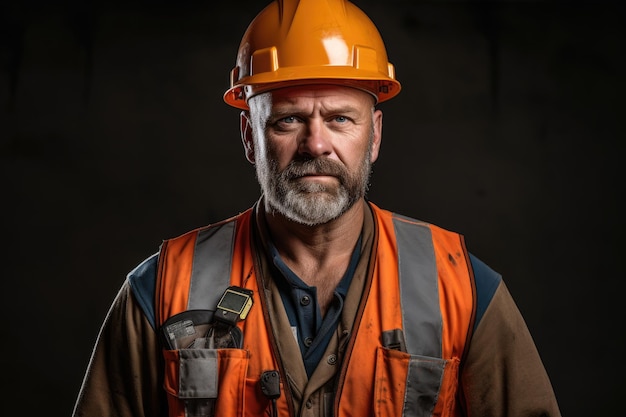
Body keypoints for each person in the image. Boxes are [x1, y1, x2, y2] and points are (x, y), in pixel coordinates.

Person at [72, 0, 561, 416]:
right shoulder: (160, 289)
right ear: (250, 137)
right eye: (288, 120)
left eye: (341, 118)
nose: (316, 144)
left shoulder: (461, 290)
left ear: (374, 137)